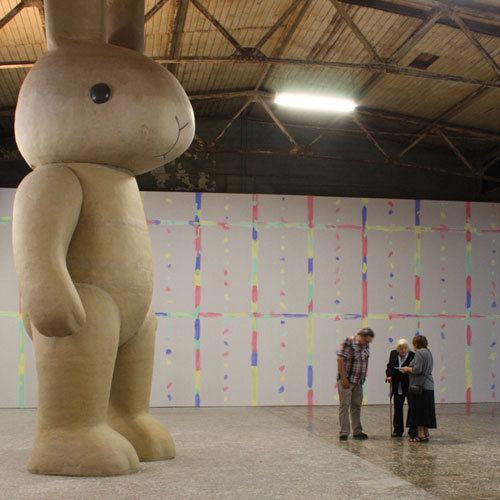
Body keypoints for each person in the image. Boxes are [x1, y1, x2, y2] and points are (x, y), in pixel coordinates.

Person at [337, 327, 375, 440]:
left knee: (356, 406)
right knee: (345, 405)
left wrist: (363, 377)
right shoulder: (349, 342)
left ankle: (357, 431)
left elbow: (365, 361)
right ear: (361, 336)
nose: (367, 343)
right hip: (347, 380)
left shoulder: (365, 345)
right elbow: (340, 360)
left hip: (358, 381)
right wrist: (344, 378)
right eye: (366, 340)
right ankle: (344, 432)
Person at [402, 335, 437, 442]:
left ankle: (420, 434)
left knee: (419, 410)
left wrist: (407, 369)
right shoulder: (428, 352)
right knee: (426, 410)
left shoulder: (419, 353)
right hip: (429, 385)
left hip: (419, 386)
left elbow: (417, 369)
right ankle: (425, 433)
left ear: (416, 344)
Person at [385, 339, 417, 438]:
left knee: (412, 407)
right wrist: (389, 375)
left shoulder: (413, 355)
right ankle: (398, 429)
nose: (403, 351)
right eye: (401, 349)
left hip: (409, 384)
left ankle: (413, 430)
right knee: (398, 407)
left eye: (405, 348)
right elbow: (389, 367)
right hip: (397, 384)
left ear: (408, 348)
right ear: (397, 349)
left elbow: (415, 370)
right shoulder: (393, 354)